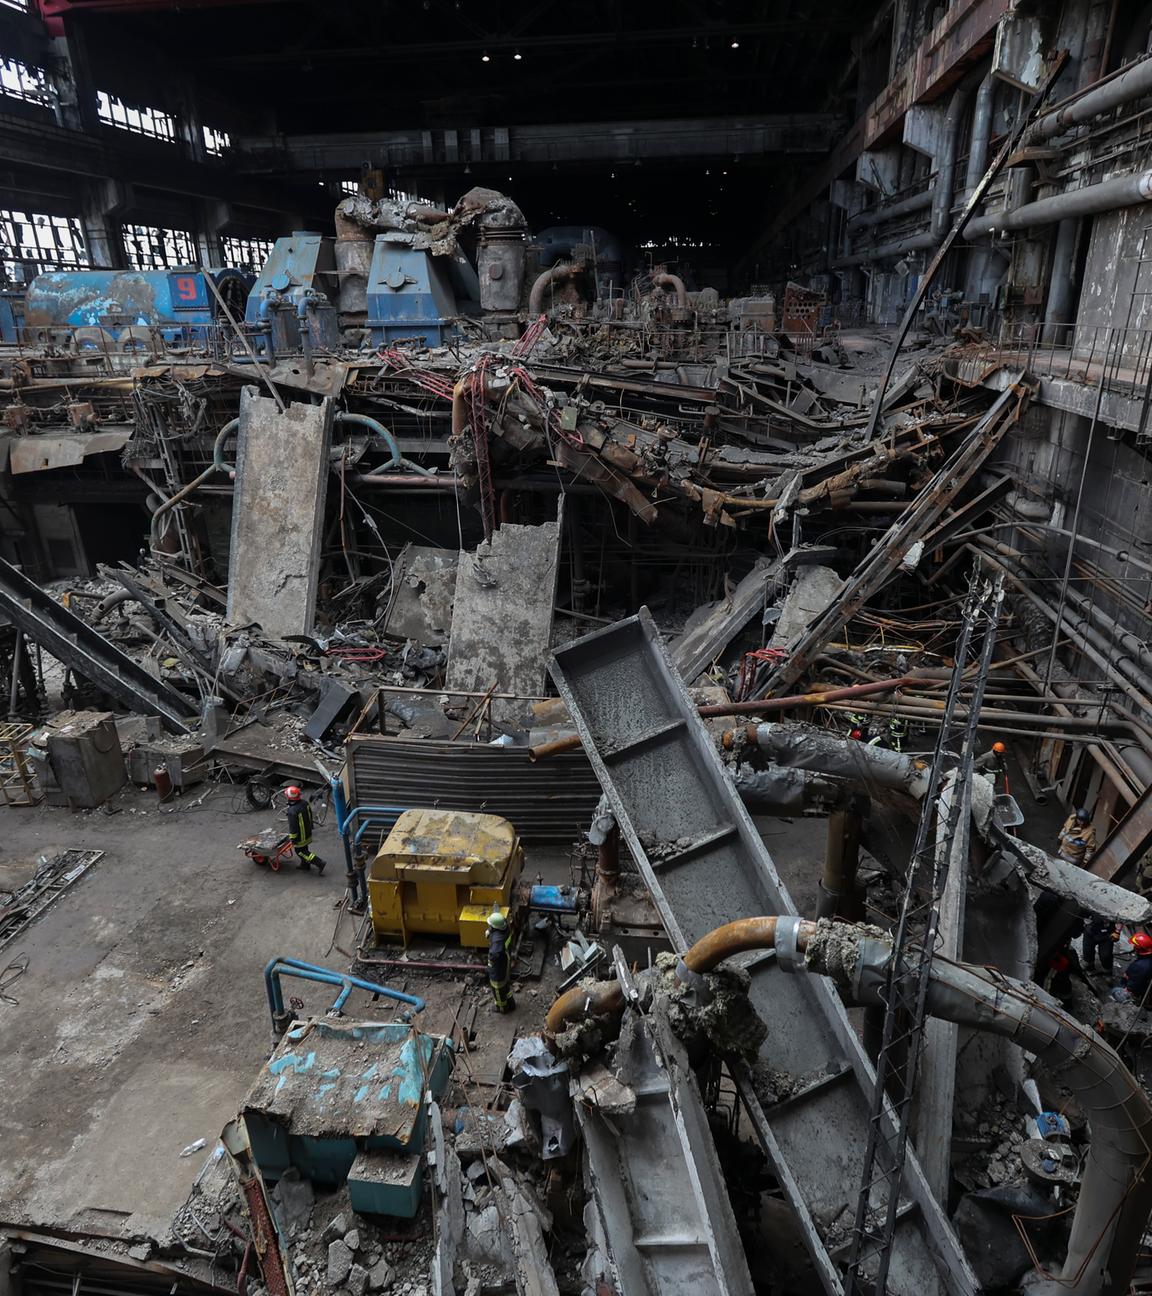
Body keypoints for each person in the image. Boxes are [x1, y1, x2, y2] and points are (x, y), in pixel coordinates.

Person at [284, 785, 326, 874]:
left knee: (300, 852)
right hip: (307, 832)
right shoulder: (304, 803)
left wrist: (293, 838)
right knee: (305, 849)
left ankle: (319, 863)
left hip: (300, 836)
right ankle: (305, 865)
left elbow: (293, 827)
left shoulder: (292, 811)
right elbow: (310, 815)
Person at [486, 909, 515, 1013]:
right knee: (506, 985)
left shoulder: (497, 944)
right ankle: (510, 1002)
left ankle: (502, 1007)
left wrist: (491, 964)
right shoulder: (505, 928)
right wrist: (490, 932)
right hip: (505, 961)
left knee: (497, 988)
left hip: (498, 968)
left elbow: (494, 954)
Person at [1124, 931, 1152, 1002]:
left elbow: (1135, 982)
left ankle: (1135, 1001)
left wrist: (1128, 989)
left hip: (1138, 990)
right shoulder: (1147, 959)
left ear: (1138, 948)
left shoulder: (1140, 966)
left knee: (1115, 991)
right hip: (1144, 985)